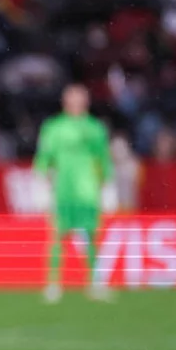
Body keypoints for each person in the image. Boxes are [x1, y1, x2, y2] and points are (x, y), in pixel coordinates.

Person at [33, 84, 113, 303]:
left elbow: (103, 159)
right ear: (65, 101)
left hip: (88, 191)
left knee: (92, 237)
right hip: (63, 190)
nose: (76, 102)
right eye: (72, 98)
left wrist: (107, 184)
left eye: (80, 98)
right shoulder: (54, 127)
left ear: (86, 101)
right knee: (57, 236)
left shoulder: (95, 128)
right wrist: (40, 178)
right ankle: (53, 284)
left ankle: (95, 283)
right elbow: (44, 156)